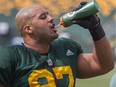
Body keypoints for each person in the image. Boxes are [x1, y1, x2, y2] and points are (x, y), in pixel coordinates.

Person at [0, 2, 114, 87]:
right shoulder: (10, 57)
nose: (51, 19)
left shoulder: (65, 48)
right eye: (43, 17)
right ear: (29, 29)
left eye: (48, 15)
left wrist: (95, 28)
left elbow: (103, 65)